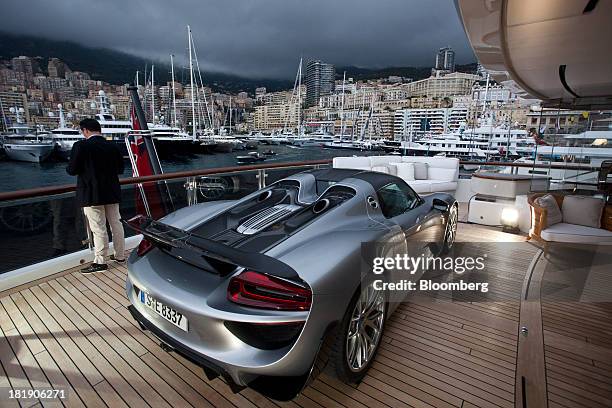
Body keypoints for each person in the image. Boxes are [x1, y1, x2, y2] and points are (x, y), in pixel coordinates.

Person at [67, 118, 125, 273]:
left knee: (98, 228)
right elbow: (120, 169)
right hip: (112, 191)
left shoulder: (81, 146)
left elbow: (71, 170)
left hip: (91, 193)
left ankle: (100, 261)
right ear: (99, 130)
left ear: (85, 130)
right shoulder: (113, 146)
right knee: (116, 224)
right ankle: (120, 255)